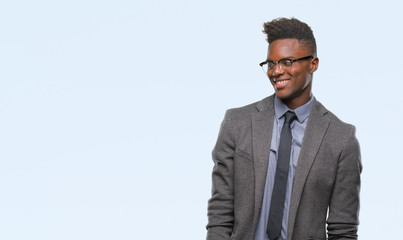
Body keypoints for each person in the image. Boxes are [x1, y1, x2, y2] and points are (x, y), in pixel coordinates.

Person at [206, 17, 362, 240]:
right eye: (271, 64)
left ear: (313, 64)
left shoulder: (341, 139)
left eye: (287, 62)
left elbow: (343, 230)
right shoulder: (237, 123)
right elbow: (220, 213)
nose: (276, 71)